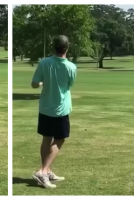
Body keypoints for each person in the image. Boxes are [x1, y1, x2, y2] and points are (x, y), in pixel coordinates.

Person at [31, 35, 77, 188]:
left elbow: (34, 84)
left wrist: (44, 82)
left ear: (54, 47)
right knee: (60, 139)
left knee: (46, 139)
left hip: (45, 107)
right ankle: (43, 172)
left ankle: (47, 171)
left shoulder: (44, 62)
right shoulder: (71, 67)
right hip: (61, 109)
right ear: (67, 48)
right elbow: (69, 85)